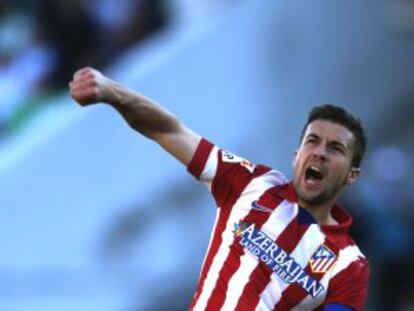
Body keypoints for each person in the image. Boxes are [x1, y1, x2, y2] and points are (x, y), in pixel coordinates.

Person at [69, 67, 370, 311]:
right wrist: (111, 91)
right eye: (312, 141)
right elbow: (168, 130)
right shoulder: (252, 184)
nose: (319, 152)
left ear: (351, 175)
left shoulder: (348, 266)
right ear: (297, 155)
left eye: (335, 148)